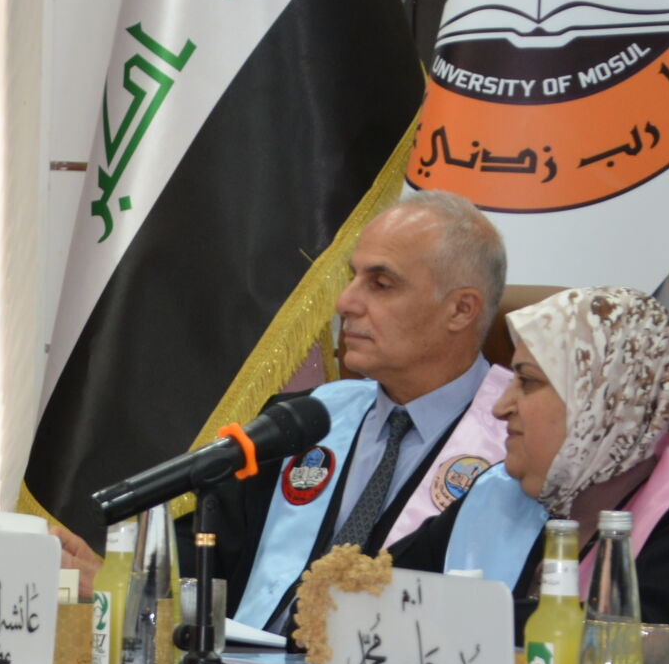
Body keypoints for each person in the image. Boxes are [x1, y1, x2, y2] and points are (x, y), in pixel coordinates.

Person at [205, 190, 519, 632]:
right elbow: (207, 558)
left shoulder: (517, 446)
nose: (345, 303)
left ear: (461, 310)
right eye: (353, 277)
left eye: (381, 284)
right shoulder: (303, 421)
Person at [393, 287, 669, 653]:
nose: (500, 407)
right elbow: (379, 590)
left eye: (527, 381)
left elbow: (621, 641)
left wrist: (435, 614)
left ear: (608, 401)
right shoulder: (503, 490)